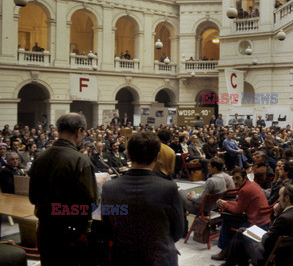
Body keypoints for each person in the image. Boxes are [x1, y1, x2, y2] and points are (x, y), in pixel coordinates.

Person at [102, 131, 184, 266]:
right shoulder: (168, 188)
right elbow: (178, 230)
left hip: (122, 257)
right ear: (157, 157)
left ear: (128, 155)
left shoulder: (109, 188)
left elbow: (107, 227)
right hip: (159, 256)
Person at [29, 113, 97, 266]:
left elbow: (33, 197)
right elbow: (89, 204)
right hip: (71, 235)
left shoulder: (40, 157)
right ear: (79, 131)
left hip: (45, 230)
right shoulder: (81, 160)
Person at [224, 184, 293, 266]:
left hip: (270, 256)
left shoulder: (284, 218)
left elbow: (267, 241)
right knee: (243, 235)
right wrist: (277, 214)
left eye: (280, 196)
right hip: (287, 254)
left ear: (287, 198)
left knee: (241, 233)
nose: (278, 199)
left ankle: (228, 263)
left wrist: (257, 236)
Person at [213, 167, 270, 261]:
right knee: (230, 218)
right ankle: (228, 249)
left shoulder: (245, 190)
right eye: (233, 178)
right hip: (264, 222)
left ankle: (224, 251)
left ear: (244, 178)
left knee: (227, 221)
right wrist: (226, 203)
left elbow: (238, 210)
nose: (235, 181)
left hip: (255, 224)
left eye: (238, 178)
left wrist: (224, 204)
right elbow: (242, 205)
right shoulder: (252, 184)